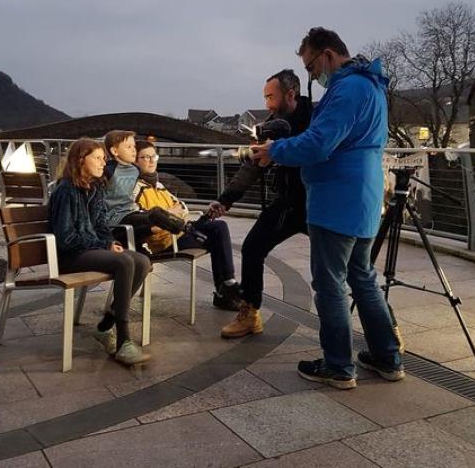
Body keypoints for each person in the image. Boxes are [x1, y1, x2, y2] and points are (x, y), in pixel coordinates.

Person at [252, 27, 404, 390]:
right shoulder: (371, 85)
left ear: (328, 55)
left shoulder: (347, 88)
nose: (311, 77)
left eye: (310, 67)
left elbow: (320, 144)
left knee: (331, 284)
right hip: (364, 198)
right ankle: (387, 357)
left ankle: (338, 365)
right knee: (363, 280)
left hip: (337, 199)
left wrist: (275, 151)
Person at [218, 69, 312, 338]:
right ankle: (250, 313)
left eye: (270, 97)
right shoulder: (273, 123)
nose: (267, 104)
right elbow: (253, 166)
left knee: (350, 268)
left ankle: (385, 330)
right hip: (288, 202)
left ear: (290, 94)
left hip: (319, 202)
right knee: (252, 247)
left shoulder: (316, 118)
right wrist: (226, 200)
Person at [48, 137, 151, 366]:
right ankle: (124, 340)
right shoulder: (65, 190)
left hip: (89, 250)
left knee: (142, 261)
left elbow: (102, 225)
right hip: (69, 256)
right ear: (80, 160)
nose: (103, 163)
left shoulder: (94, 188)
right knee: (124, 262)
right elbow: (65, 238)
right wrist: (103, 245)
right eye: (97, 158)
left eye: (104, 158)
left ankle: (105, 326)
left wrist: (108, 242)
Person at [133, 140, 241, 310]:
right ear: (135, 161)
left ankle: (226, 289)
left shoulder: (158, 185)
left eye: (154, 156)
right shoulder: (136, 188)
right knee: (217, 234)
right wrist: (170, 213)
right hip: (166, 242)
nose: (152, 160)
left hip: (180, 231)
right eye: (145, 157)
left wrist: (173, 212)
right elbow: (148, 219)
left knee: (217, 227)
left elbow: (182, 206)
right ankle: (227, 287)